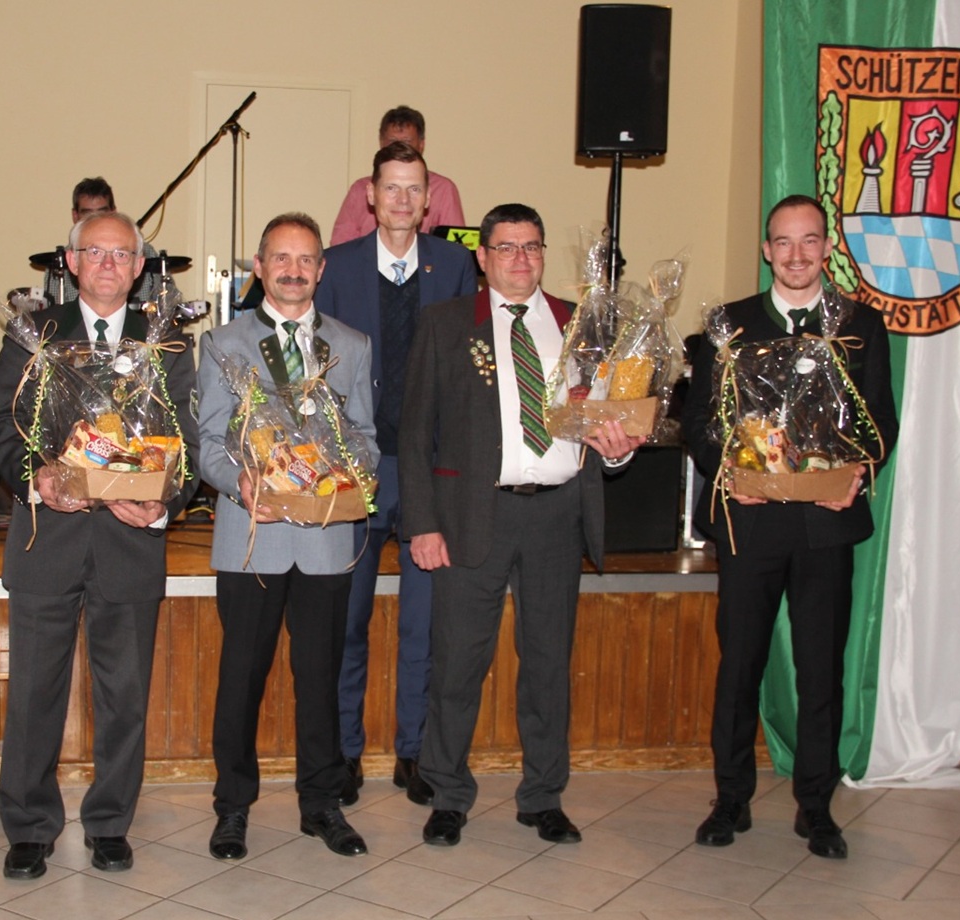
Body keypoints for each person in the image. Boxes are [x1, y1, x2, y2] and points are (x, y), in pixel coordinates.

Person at [398, 203, 643, 847]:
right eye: (505, 247)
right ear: (482, 257)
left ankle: (542, 797)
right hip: (470, 516)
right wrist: (421, 524)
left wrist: (618, 449)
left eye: (531, 246)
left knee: (548, 665)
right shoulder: (446, 323)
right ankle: (447, 794)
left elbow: (606, 421)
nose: (520, 259)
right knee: (457, 664)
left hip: (558, 515)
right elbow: (414, 432)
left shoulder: (580, 324)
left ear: (543, 254)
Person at [0, 210, 199, 880]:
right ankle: (29, 827)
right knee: (33, 696)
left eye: (121, 254)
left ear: (140, 268)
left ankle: (109, 824)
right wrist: (37, 478)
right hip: (47, 540)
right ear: (71, 263)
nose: (108, 264)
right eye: (94, 252)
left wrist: (165, 501)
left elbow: (189, 443)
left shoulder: (166, 341)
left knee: (124, 698)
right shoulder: (35, 333)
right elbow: (0, 426)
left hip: (131, 545)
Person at [681, 194, 899, 860]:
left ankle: (816, 807)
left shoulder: (859, 324)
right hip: (749, 524)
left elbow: (880, 421)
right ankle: (730, 799)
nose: (796, 254)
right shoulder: (728, 324)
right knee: (739, 666)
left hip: (825, 524)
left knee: (821, 670)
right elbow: (699, 425)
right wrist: (731, 474)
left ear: (827, 249)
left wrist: (855, 475)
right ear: (766, 250)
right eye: (783, 241)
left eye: (809, 241)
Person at [196, 212, 378, 860]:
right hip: (252, 537)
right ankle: (232, 807)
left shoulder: (351, 345)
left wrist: (351, 472)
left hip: (326, 540)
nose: (293, 270)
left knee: (321, 677)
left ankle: (321, 804)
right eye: (280, 258)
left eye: (304, 260)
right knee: (241, 678)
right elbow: (208, 442)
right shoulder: (221, 343)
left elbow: (366, 438)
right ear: (258, 266)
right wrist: (240, 481)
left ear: (321, 269)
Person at [316, 141, 476, 807]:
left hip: (429, 474)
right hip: (355, 468)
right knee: (346, 622)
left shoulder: (457, 266)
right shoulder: (336, 267)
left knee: (424, 625)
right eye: (391, 188)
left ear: (429, 200)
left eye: (414, 188)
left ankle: (415, 752)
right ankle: (345, 752)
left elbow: (466, 371)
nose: (403, 200)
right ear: (370, 196)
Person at [329, 106, 465, 246]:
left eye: (407, 142)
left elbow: (455, 250)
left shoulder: (444, 189)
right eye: (392, 141)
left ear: (421, 144)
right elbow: (341, 246)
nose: (399, 147)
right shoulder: (359, 189)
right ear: (381, 142)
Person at [40, 176, 170, 309]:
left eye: (120, 254)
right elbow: (52, 310)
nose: (108, 264)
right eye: (88, 214)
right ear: (75, 216)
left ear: (113, 212)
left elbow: (169, 302)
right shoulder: (59, 262)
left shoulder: (146, 252)